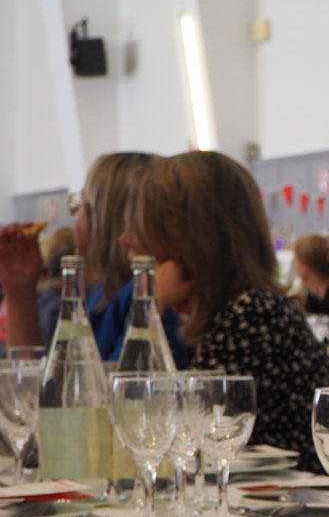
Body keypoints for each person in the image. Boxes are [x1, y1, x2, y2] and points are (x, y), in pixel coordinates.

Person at [128, 151, 329, 471]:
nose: (126, 239)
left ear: (182, 233)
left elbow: (162, 436)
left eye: (145, 226)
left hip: (283, 511)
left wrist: (149, 306)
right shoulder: (245, 308)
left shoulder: (251, 315)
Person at [0, 151, 188, 366]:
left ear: (104, 219)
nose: (73, 216)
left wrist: (150, 306)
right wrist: (19, 291)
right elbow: (46, 384)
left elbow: (120, 390)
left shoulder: (157, 294)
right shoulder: (102, 295)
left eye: (79, 204)